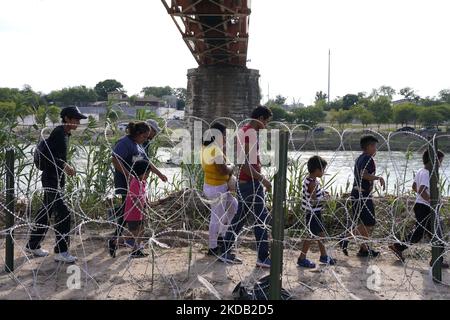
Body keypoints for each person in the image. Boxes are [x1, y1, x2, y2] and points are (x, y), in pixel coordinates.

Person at [25, 106, 87, 263]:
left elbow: (57, 156)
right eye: (76, 119)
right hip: (51, 178)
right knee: (64, 213)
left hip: (56, 178)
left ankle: (33, 245)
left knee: (46, 212)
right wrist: (66, 166)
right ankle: (61, 251)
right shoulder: (59, 133)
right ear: (67, 118)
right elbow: (51, 155)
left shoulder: (65, 134)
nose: (78, 122)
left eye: (79, 120)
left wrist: (64, 167)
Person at [219, 106, 273, 268]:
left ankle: (225, 251)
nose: (266, 126)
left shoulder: (244, 131)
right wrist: (262, 179)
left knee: (240, 219)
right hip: (251, 184)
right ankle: (262, 257)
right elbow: (244, 164)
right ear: (261, 118)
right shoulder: (250, 134)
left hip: (247, 183)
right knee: (260, 220)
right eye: (266, 122)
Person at [108, 121, 167, 257]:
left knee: (129, 212)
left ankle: (121, 241)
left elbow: (147, 162)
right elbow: (115, 160)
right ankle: (122, 242)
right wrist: (128, 175)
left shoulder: (138, 144)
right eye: (145, 136)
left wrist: (159, 174)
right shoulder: (125, 143)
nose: (147, 139)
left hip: (137, 182)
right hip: (127, 182)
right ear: (138, 133)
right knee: (128, 212)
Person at [389, 150, 449, 268]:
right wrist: (432, 201)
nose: (440, 164)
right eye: (440, 161)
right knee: (437, 233)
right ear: (433, 160)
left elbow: (414, 187)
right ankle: (437, 260)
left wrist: (425, 198)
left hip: (420, 206)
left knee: (422, 232)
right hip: (426, 208)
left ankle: (398, 247)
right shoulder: (427, 173)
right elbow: (421, 189)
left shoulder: (421, 171)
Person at [340, 135, 385, 258]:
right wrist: (378, 178)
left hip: (357, 193)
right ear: (369, 146)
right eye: (374, 146)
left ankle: (364, 249)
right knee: (369, 222)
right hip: (363, 195)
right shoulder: (368, 159)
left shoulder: (360, 158)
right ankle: (345, 237)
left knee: (365, 223)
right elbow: (363, 174)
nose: (376, 149)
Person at [201, 122, 238, 256]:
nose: (225, 137)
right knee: (216, 216)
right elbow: (222, 170)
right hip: (216, 187)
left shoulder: (208, 146)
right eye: (224, 134)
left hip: (213, 186)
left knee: (234, 206)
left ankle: (222, 235)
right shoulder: (214, 150)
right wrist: (232, 167)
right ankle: (213, 247)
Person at [297, 156, 336, 268]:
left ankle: (324, 256)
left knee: (320, 234)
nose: (323, 172)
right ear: (317, 170)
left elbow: (316, 193)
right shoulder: (312, 183)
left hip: (315, 212)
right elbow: (313, 199)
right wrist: (325, 199)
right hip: (312, 213)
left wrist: (323, 193)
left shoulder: (312, 180)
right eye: (323, 169)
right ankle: (302, 258)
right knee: (310, 236)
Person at [124, 160, 151, 258]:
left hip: (139, 213)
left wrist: (147, 203)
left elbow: (143, 195)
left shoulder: (142, 182)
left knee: (141, 231)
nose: (148, 175)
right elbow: (135, 200)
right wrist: (142, 210)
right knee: (135, 232)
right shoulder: (135, 183)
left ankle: (136, 249)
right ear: (140, 172)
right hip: (133, 213)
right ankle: (116, 241)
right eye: (147, 173)